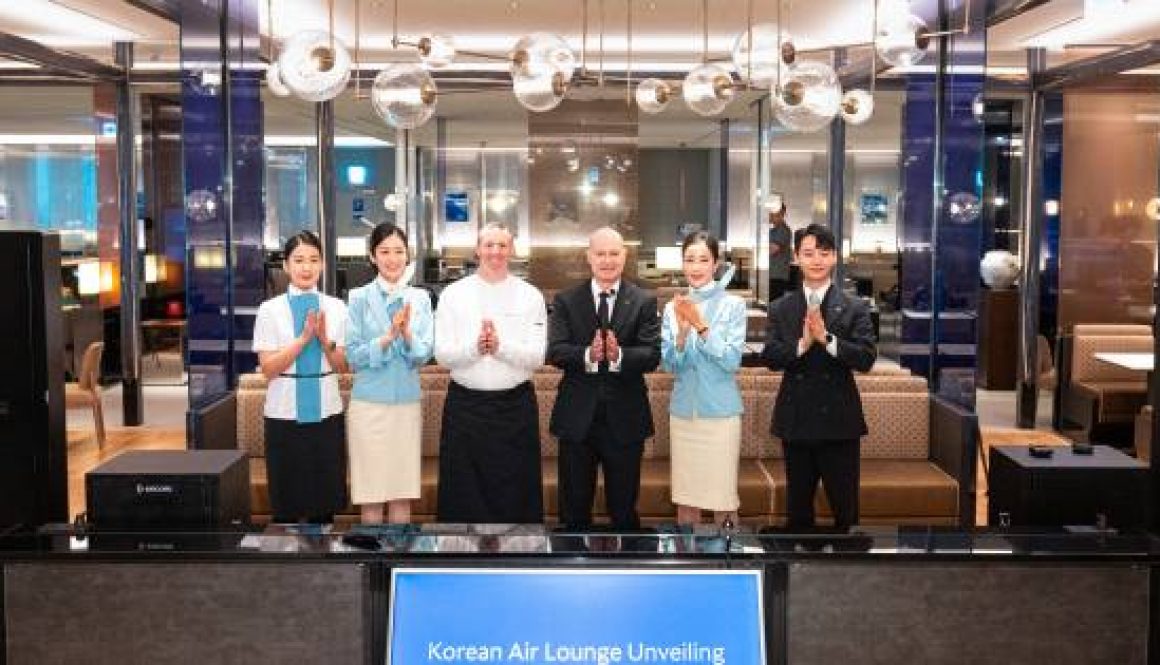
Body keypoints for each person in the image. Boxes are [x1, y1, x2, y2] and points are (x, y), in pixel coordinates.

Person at [762, 224, 876, 530]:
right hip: (796, 419)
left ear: (835, 258)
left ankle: (847, 574)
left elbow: (866, 358)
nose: (816, 260)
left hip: (839, 421)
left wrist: (828, 340)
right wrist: (801, 345)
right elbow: (771, 357)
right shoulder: (781, 307)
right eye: (808, 253)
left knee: (846, 510)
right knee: (798, 511)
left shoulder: (854, 307)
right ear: (796, 257)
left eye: (824, 253)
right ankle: (797, 573)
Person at [548, 227, 661, 531]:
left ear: (625, 257)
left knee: (624, 510)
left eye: (614, 253)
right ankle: (571, 572)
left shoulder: (643, 301)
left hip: (625, 419)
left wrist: (619, 356)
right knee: (573, 509)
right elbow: (555, 351)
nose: (607, 260)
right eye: (601, 253)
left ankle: (628, 572)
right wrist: (588, 354)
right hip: (576, 419)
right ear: (589, 257)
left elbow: (652, 354)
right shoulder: (566, 300)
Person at [434, 223, 547, 523]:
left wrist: (500, 348)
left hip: (515, 408)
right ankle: (461, 563)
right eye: (489, 245)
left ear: (511, 250)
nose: (495, 252)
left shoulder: (530, 296)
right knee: (462, 494)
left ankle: (518, 563)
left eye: (502, 245)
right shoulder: (453, 294)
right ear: (477, 249)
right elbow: (442, 354)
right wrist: (475, 348)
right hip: (465, 408)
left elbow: (537, 357)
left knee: (517, 495)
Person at [252, 230, 350, 525]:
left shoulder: (336, 307)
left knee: (325, 502)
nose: (306, 267)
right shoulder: (270, 310)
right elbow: (269, 369)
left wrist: (324, 339)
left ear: (322, 265)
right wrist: (304, 338)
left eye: (313, 260)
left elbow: (343, 366)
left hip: (327, 411)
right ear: (286, 265)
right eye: (299, 260)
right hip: (284, 413)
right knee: (287, 503)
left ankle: (325, 568)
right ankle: (289, 569)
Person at [344, 222, 434, 525]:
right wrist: (387, 337)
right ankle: (372, 568)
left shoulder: (420, 299)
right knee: (371, 492)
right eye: (385, 251)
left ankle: (398, 560)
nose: (393, 258)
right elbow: (353, 356)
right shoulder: (358, 297)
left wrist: (406, 333)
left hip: (406, 404)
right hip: (368, 405)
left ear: (407, 256)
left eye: (399, 251)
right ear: (372, 256)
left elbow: (423, 355)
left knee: (401, 490)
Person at [661, 231, 746, 527]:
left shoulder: (733, 305)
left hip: (720, 415)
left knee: (723, 500)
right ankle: (689, 566)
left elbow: (731, 361)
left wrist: (701, 327)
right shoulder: (673, 307)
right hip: (684, 415)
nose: (696, 267)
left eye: (703, 259)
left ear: (715, 263)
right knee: (686, 502)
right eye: (689, 259)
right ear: (682, 264)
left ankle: (731, 562)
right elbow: (670, 365)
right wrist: (682, 335)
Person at [768, 202, 793, 304]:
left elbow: (772, 250)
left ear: (781, 214)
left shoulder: (783, 230)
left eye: (772, 213)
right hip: (772, 275)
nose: (770, 215)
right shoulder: (772, 230)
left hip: (777, 275)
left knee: (775, 305)